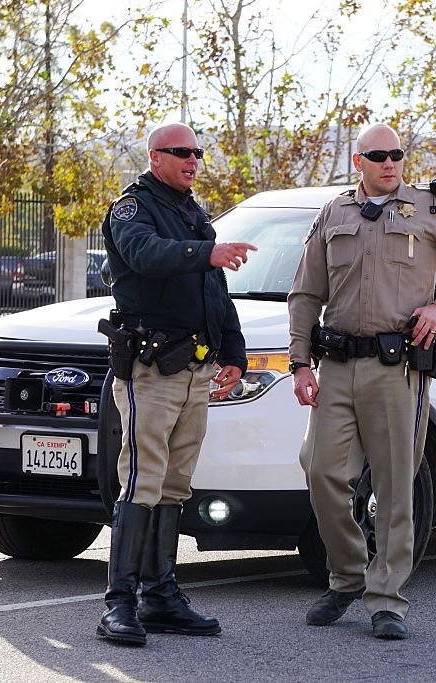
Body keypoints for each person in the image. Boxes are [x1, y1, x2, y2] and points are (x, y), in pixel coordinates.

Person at [288, 123, 436, 639]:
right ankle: (347, 575)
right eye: (378, 156)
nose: (390, 163)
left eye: (397, 154)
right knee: (320, 472)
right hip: (336, 365)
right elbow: (305, 293)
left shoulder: (429, 208)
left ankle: (387, 600)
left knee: (394, 486)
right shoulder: (334, 213)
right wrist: (299, 362)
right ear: (358, 161)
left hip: (396, 368)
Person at [97, 122, 257, 647]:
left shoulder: (193, 211)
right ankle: (119, 605)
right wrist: (203, 253)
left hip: (196, 368)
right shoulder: (133, 208)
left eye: (197, 153)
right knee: (141, 480)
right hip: (151, 369)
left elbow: (215, 291)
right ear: (155, 156)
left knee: (175, 486)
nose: (192, 160)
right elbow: (144, 255)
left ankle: (161, 596)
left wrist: (234, 352)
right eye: (181, 152)